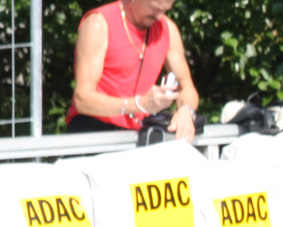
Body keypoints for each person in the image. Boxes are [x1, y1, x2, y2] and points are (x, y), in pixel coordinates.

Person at [66, 0, 200, 142]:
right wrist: (138, 104)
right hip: (92, 132)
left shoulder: (167, 29)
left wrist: (186, 112)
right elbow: (82, 100)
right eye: (155, 9)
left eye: (165, 10)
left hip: (136, 135)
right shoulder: (98, 24)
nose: (159, 16)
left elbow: (187, 88)